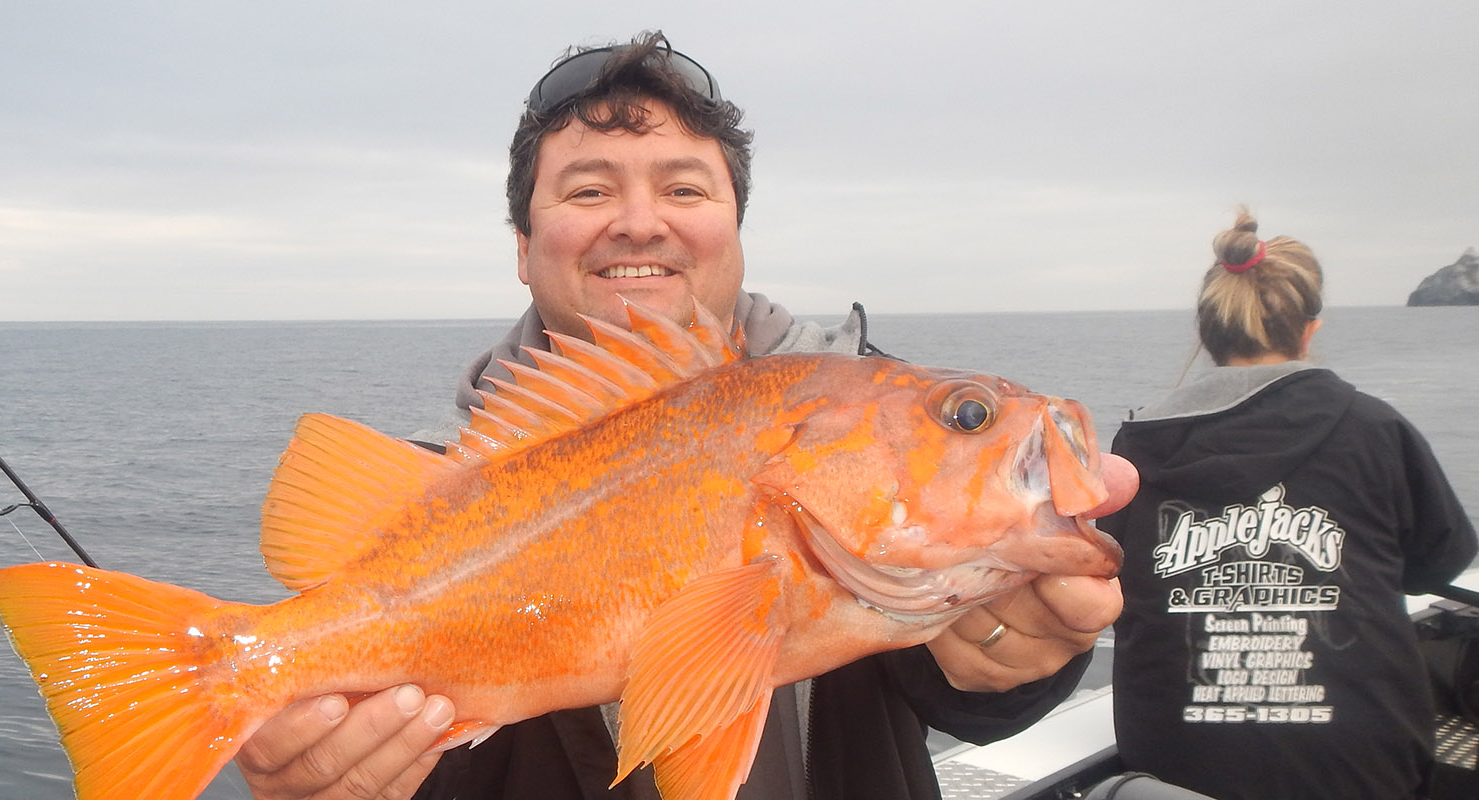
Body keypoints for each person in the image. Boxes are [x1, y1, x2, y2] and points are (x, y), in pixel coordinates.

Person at [234, 32, 1135, 800]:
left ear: (734, 227)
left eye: (686, 189)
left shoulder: (860, 405)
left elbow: (952, 690)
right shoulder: (443, 493)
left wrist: (1016, 659)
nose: (638, 221)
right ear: (522, 247)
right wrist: (319, 765)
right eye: (588, 191)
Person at [1096, 210, 1478, 799]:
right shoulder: (1375, 429)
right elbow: (1436, 562)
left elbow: (1106, 586)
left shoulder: (1135, 448)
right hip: (1365, 768)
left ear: (1206, 333)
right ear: (1309, 331)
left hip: (1176, 769)